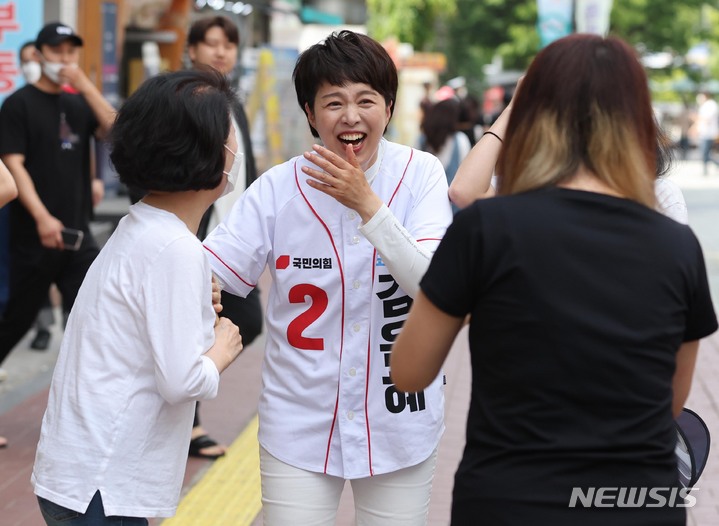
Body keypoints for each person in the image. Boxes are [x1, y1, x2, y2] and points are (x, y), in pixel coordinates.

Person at [391, 33, 718, 526]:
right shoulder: (676, 246)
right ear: (636, 119)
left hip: (511, 500)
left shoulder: (487, 230)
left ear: (534, 116)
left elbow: (410, 372)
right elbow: (671, 397)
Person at [203, 30, 452, 525]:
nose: (351, 116)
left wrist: (367, 205)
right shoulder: (277, 187)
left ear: (389, 106)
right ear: (310, 113)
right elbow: (212, 270)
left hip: (399, 419)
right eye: (333, 102)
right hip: (300, 420)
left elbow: (434, 286)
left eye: (366, 100)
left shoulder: (421, 174)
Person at [31, 68, 244, 524]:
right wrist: (222, 349)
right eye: (229, 134)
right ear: (207, 152)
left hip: (76, 473)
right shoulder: (176, 248)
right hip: (105, 484)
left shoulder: (141, 226)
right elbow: (182, 380)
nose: (236, 146)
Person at [0, 22, 114, 368]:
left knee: (94, 317)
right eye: (56, 51)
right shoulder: (18, 105)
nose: (64, 58)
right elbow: (13, 165)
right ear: (38, 54)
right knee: (16, 320)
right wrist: (42, 217)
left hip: (78, 235)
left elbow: (115, 130)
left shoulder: (78, 104)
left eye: (70, 51)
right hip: (35, 237)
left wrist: (85, 86)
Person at [183, 14, 263, 460]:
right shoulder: (186, 100)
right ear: (192, 49)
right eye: (210, 43)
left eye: (227, 45)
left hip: (233, 240)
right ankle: (186, 422)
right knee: (200, 326)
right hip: (197, 239)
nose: (220, 52)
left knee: (245, 322)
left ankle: (184, 413)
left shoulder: (231, 103)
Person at [18, 40, 57, 352]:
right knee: (29, 288)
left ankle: (47, 329)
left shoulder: (70, 103)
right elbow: (11, 173)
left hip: (66, 213)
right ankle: (39, 327)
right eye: (25, 60)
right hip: (24, 214)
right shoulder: (17, 103)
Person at [419, 98, 472, 213]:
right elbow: (466, 177)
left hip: (425, 208)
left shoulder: (422, 139)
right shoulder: (460, 140)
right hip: (453, 211)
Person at [695, 91, 719, 175]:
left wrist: (696, 118)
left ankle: (708, 168)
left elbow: (707, 119)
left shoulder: (711, 105)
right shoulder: (705, 106)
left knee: (705, 152)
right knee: (705, 152)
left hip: (709, 133)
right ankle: (705, 169)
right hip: (705, 133)